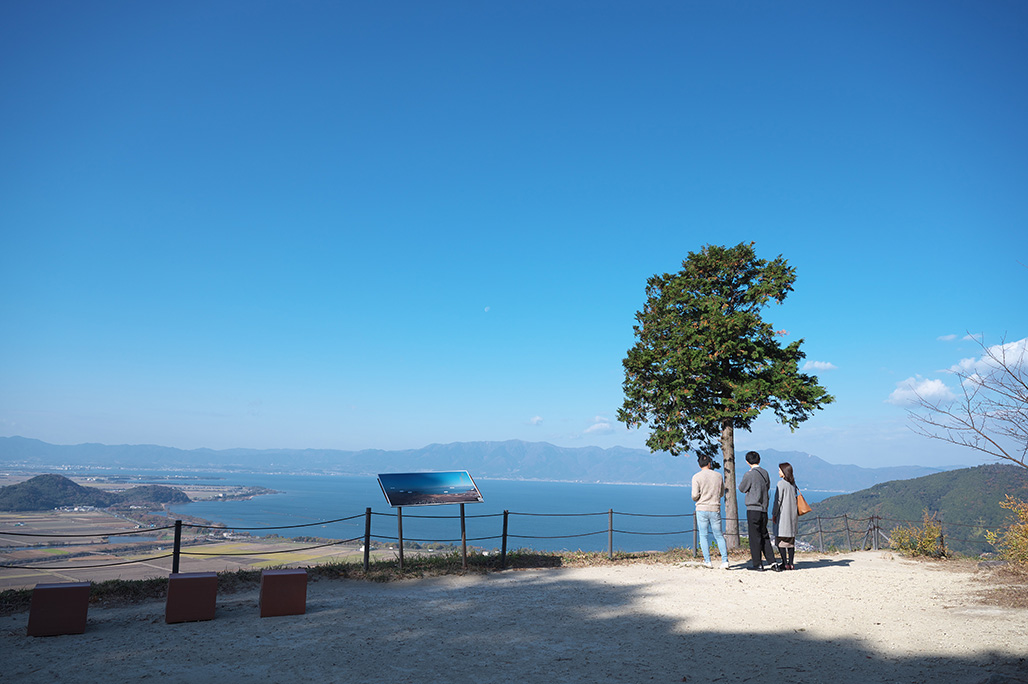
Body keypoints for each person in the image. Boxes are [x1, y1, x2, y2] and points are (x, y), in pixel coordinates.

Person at [737, 450, 779, 571]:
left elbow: (742, 488)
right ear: (759, 460)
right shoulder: (765, 473)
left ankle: (758, 563)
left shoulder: (749, 475)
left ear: (747, 461)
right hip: (763, 509)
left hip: (753, 508)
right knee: (764, 535)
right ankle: (772, 562)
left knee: (754, 537)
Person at [691, 454, 730, 569]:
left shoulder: (696, 477)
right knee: (719, 535)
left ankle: (707, 561)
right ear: (709, 463)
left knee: (703, 535)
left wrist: (699, 496)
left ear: (699, 465)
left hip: (702, 508)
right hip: (715, 508)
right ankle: (725, 560)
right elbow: (722, 493)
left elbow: (694, 495)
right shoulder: (718, 476)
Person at [773, 462, 800, 570]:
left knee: (781, 540)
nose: (778, 472)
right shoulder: (793, 484)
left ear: (784, 472)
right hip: (793, 515)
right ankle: (791, 563)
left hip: (783, 516)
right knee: (790, 541)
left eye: (779, 470)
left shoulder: (781, 484)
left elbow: (777, 501)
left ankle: (784, 563)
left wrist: (774, 514)